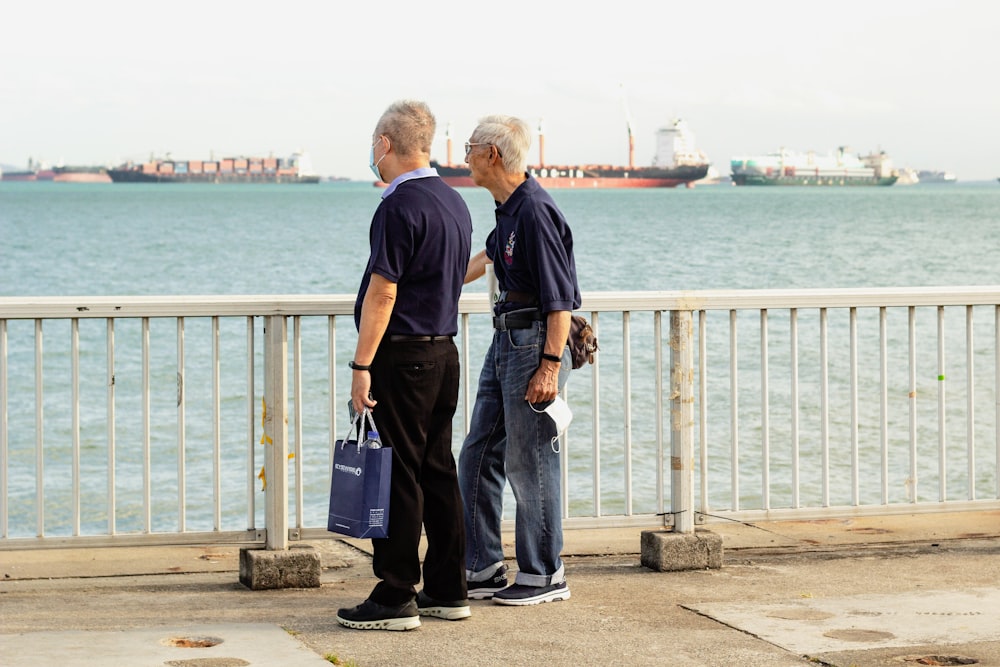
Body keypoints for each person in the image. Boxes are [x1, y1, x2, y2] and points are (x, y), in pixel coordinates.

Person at [336, 100, 473, 631]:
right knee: (438, 470)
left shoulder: (398, 206)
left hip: (403, 355)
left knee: (396, 473)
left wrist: (361, 364)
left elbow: (383, 291)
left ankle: (396, 594)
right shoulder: (454, 202)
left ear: (385, 145)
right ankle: (448, 588)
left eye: (374, 143)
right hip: (444, 353)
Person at [459, 114, 581, 606]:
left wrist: (550, 365)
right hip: (506, 338)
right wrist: (422, 288)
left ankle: (544, 574)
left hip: (535, 344)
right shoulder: (506, 209)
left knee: (530, 463)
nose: (463, 155)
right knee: (478, 454)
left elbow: (560, 299)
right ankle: (483, 565)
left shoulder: (534, 211)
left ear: (492, 154)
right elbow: (483, 261)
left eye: (469, 147)